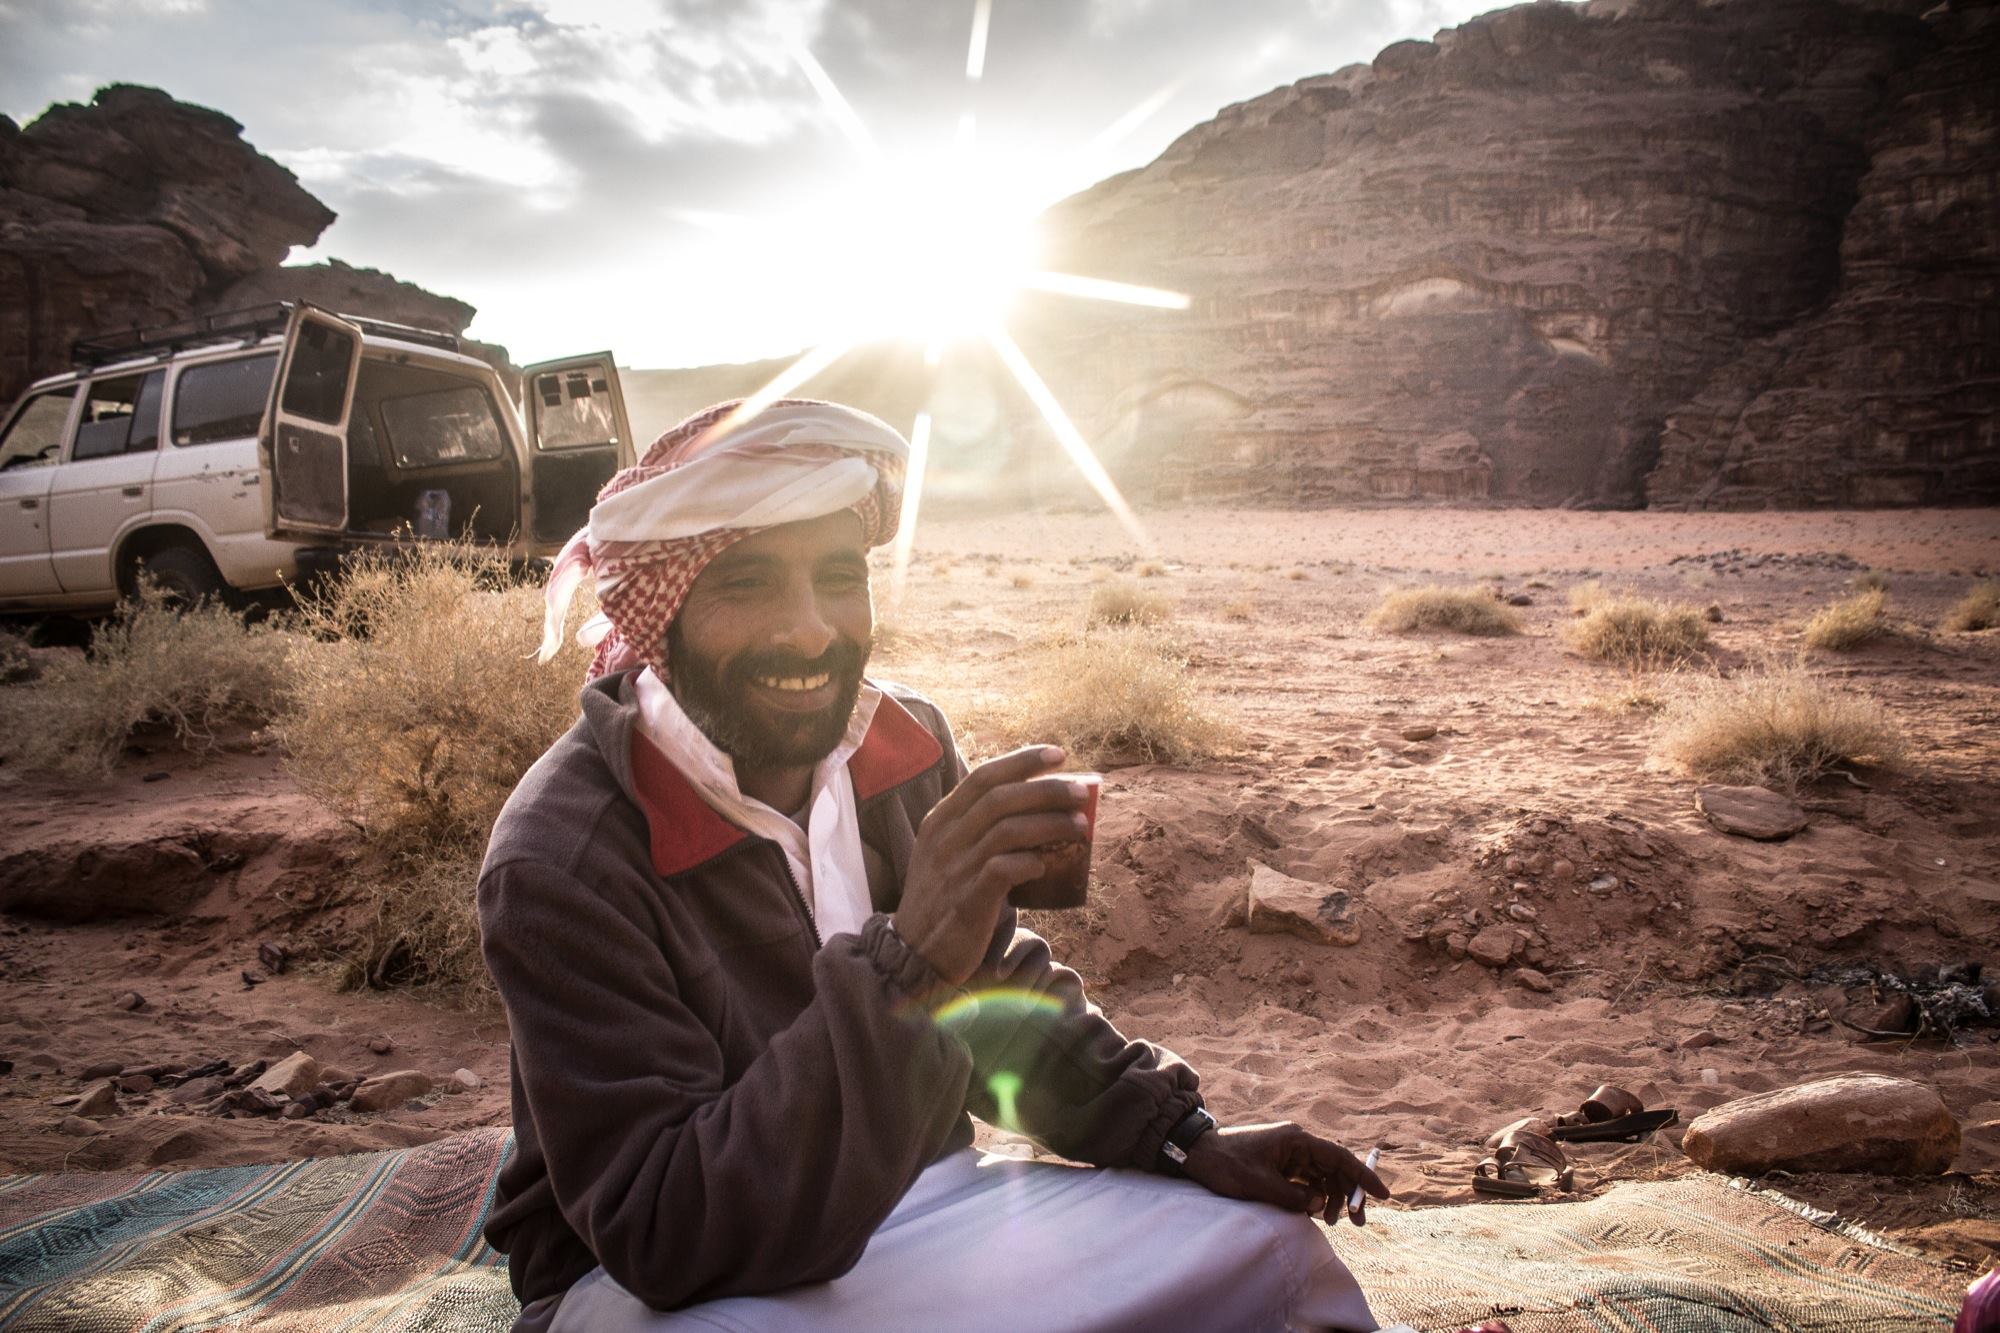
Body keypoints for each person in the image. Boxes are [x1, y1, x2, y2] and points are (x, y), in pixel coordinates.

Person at [477, 397, 1391, 1333]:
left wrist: (1181, 1138)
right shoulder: (564, 857)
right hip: (658, 1286)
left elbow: (1000, 991)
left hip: (922, 1197)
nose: (810, 631)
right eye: (746, 584)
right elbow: (670, 1229)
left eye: (839, 575)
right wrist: (911, 963)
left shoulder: (904, 747)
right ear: (660, 618)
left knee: (1271, 1256)